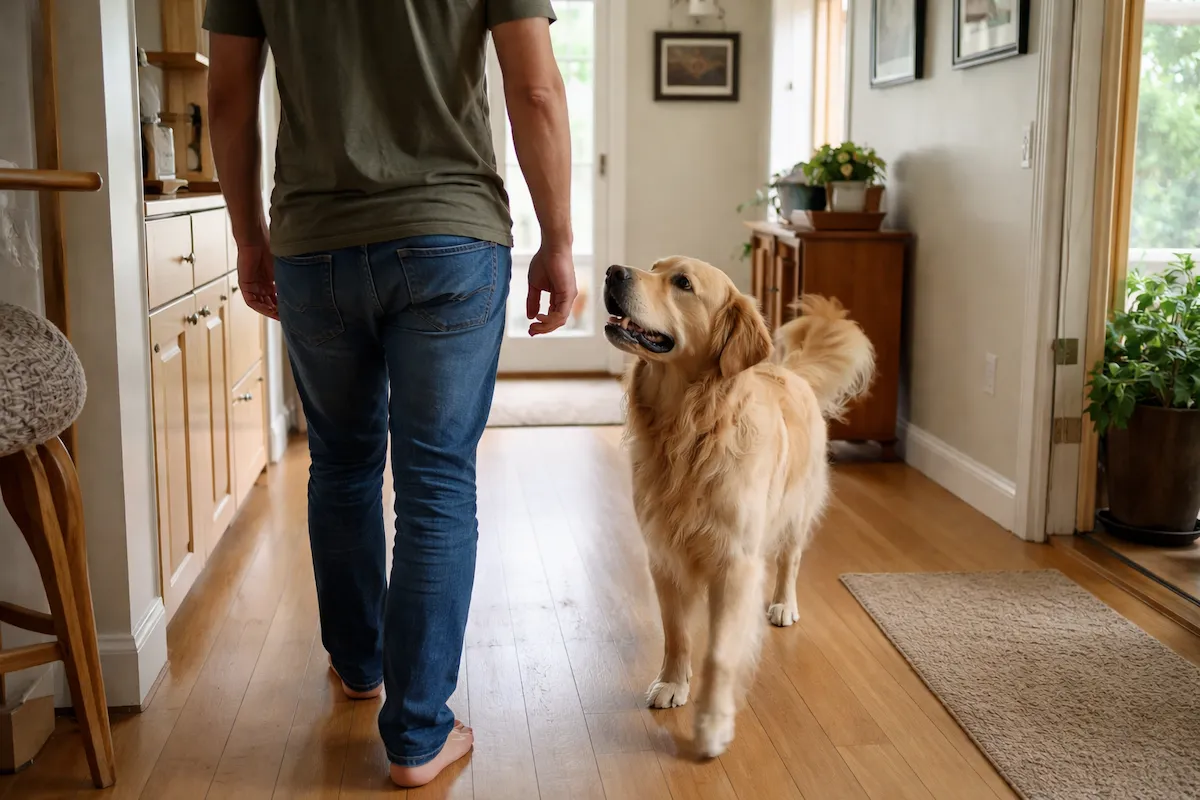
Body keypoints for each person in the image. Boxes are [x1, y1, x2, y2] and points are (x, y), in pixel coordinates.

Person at [203, 1, 575, 788]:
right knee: (437, 481)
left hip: (315, 244)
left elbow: (230, 95)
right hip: (451, 236)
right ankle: (416, 737)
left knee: (340, 465)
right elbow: (535, 90)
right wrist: (559, 239)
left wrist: (247, 236)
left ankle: (360, 666)